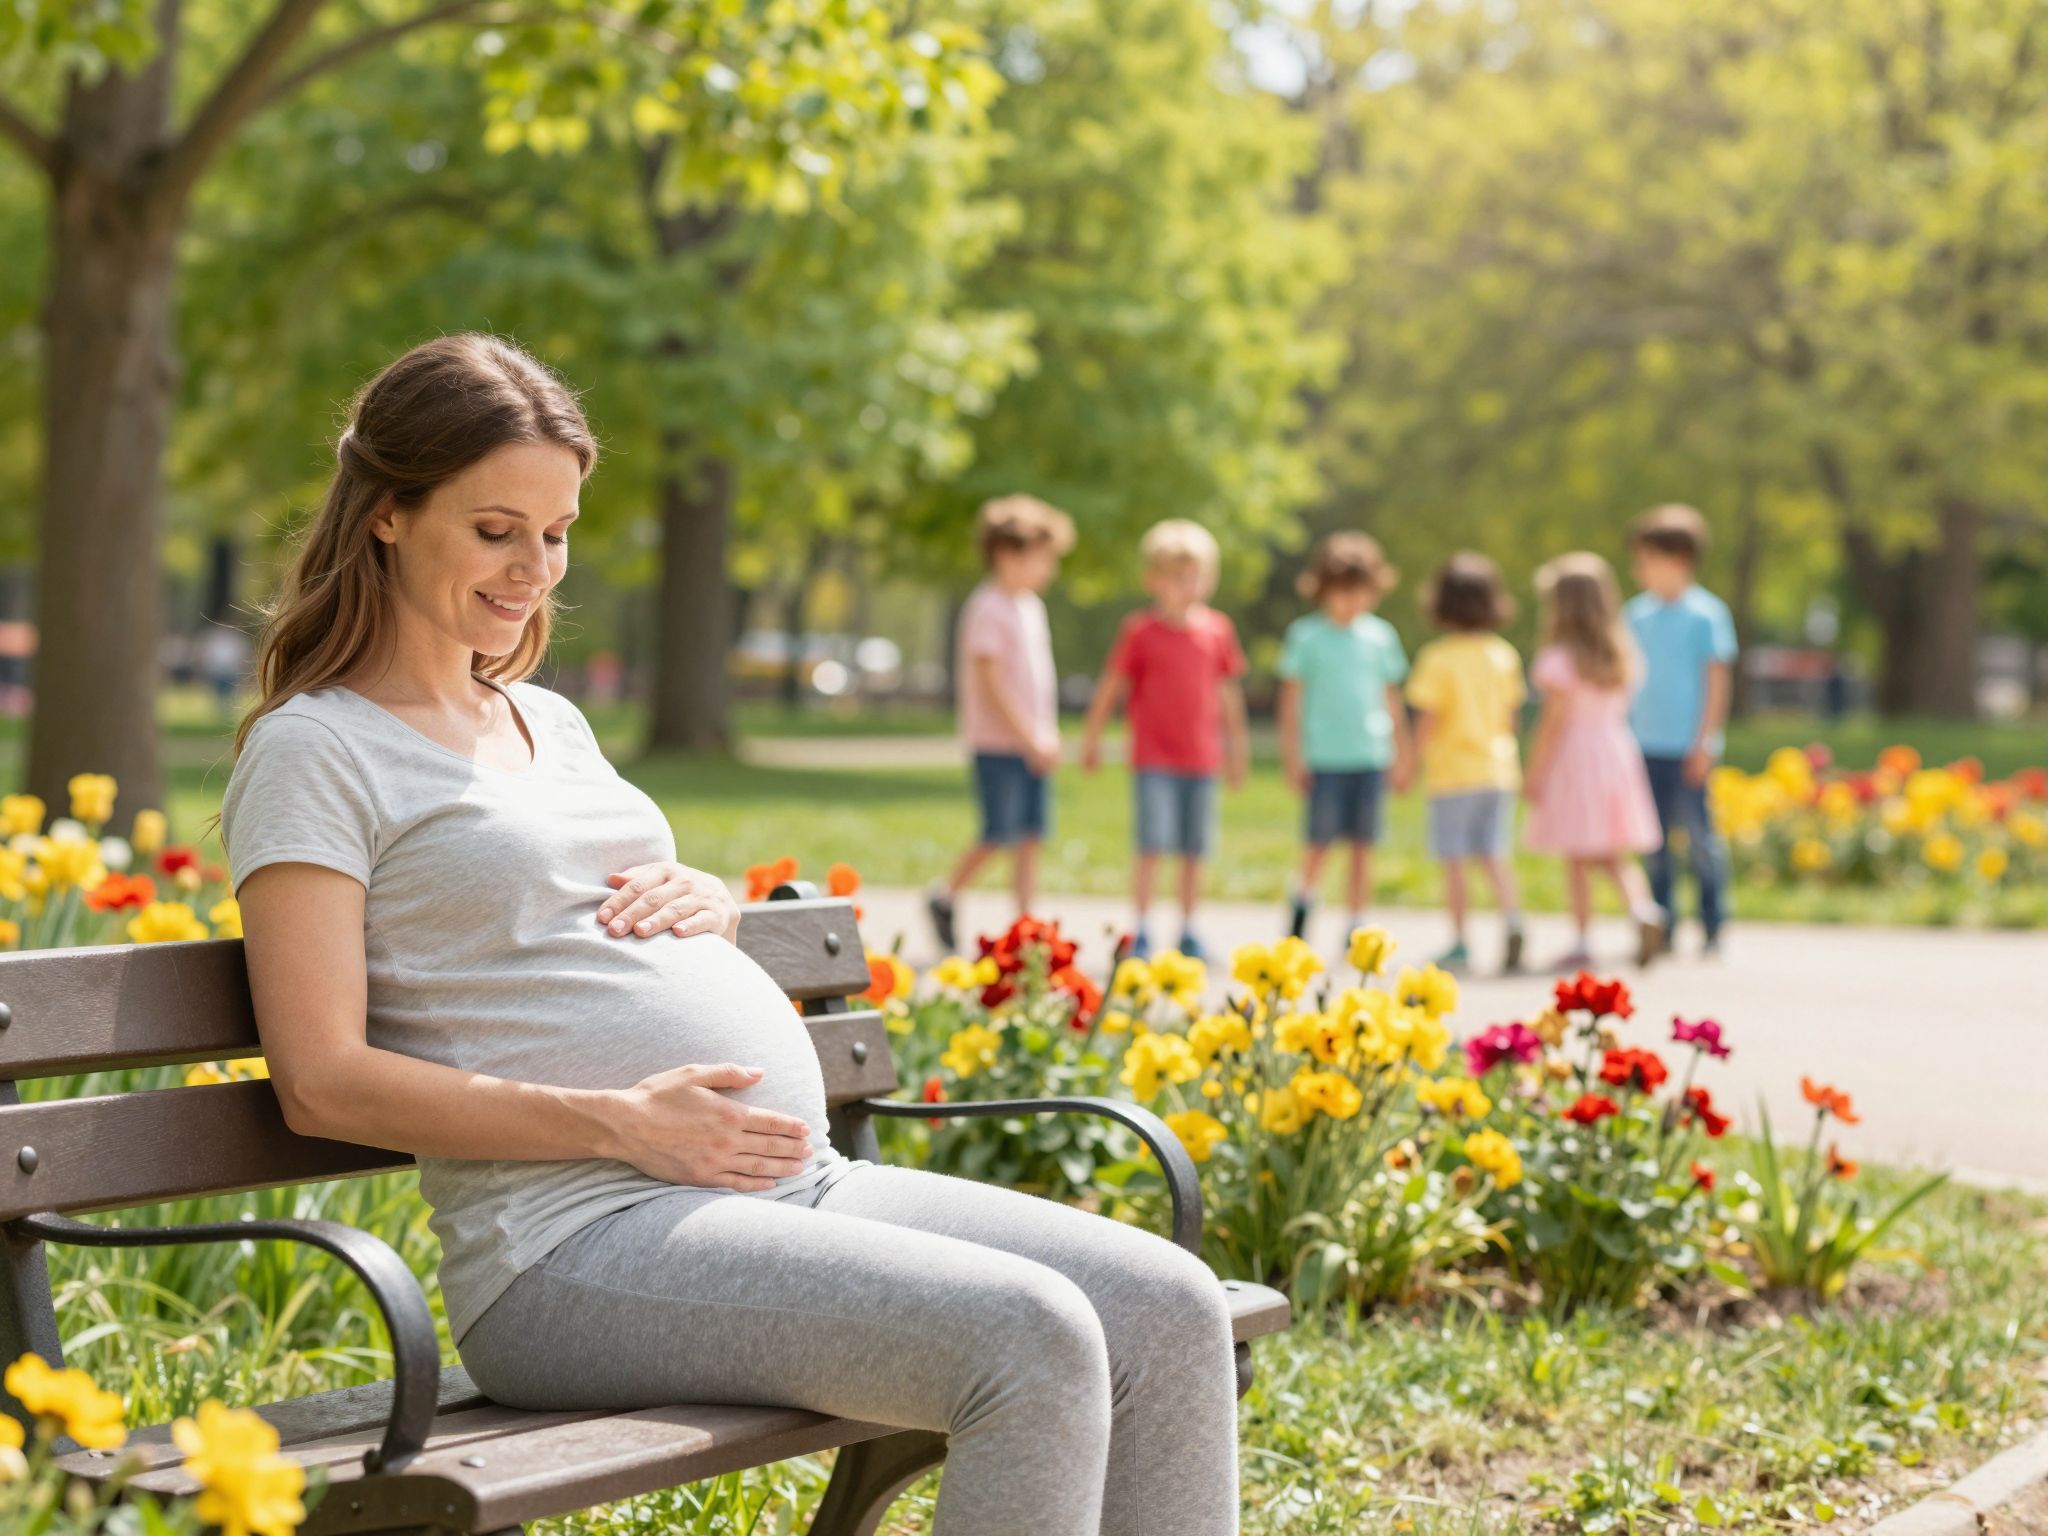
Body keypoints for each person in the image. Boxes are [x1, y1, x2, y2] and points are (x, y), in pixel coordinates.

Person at [218, 335, 1237, 1536]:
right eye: (496, 530)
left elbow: (560, 910)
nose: (533, 569)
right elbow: (320, 1080)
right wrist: (619, 1121)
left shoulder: (544, 718)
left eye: (555, 533)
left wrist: (706, 905)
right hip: (570, 1248)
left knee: (1173, 1308)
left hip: (793, 1189)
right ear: (388, 515)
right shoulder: (316, 751)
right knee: (1030, 1337)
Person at [1079, 519, 1248, 962]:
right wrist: (1093, 738)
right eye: (1176, 577)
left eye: (1196, 576)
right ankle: (1140, 928)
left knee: (1195, 849)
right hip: (1154, 758)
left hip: (1202, 759)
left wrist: (1237, 751)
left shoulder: (1217, 631)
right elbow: (1112, 686)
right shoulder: (1141, 631)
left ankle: (1189, 928)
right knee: (1152, 845)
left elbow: (1229, 696)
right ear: (1152, 580)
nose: (1188, 586)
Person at [926, 496, 1074, 951]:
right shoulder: (988, 607)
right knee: (999, 833)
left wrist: (1045, 734)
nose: (1048, 570)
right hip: (999, 744)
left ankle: (1026, 927)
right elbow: (993, 682)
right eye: (1041, 559)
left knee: (1031, 836)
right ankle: (944, 895)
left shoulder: (1029, 607)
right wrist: (1030, 736)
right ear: (1008, 555)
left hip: (1032, 744)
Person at [1524, 553, 1667, 970]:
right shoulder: (1621, 652)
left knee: (1578, 853)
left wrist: (1534, 772)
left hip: (1575, 756)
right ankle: (1643, 911)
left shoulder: (1559, 659)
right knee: (1614, 854)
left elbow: (1552, 724)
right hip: (1616, 751)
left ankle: (1583, 938)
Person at [1276, 531, 1413, 944]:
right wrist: (1293, 756)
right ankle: (1303, 903)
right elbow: (1291, 703)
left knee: (1361, 845)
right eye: (1342, 592)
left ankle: (1356, 919)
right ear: (1323, 590)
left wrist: (1403, 755)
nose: (1351, 601)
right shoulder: (1307, 636)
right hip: (1324, 758)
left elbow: (1392, 698)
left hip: (1369, 756)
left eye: (1360, 592)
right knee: (1319, 841)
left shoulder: (1380, 637)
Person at [1404, 552, 1526, 974]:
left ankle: (1459, 941)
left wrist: (1408, 765)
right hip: (1498, 769)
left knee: (1454, 860)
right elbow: (1511, 717)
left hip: (1452, 773)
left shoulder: (1437, 658)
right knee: (1494, 853)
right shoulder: (1503, 654)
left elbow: (1428, 719)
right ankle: (1513, 918)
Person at [1626, 503, 1739, 956]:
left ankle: (1712, 919)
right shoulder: (1635, 615)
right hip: (1643, 743)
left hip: (1687, 746)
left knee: (1699, 839)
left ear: (1676, 559)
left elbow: (1716, 680)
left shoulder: (1706, 614)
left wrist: (1705, 740)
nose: (1638, 570)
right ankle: (1663, 922)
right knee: (1652, 842)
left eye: (1645, 559)